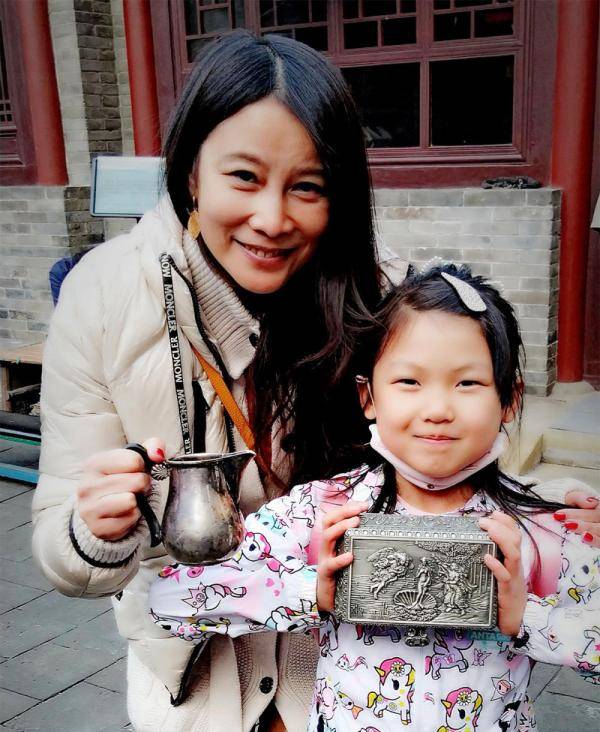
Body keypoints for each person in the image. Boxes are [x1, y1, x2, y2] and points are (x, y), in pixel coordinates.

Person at [32, 28, 597, 732]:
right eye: (244, 177)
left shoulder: (378, 296)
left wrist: (539, 509)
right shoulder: (104, 299)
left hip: (327, 682)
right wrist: (96, 530)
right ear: (190, 172)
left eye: (307, 187)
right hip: (203, 683)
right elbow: (133, 579)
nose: (272, 219)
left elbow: (439, 461)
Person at [149, 264, 600, 731]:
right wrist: (312, 593)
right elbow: (171, 600)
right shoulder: (324, 513)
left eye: (467, 383)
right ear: (368, 397)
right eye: (409, 382)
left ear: (509, 399)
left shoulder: (538, 530)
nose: (438, 410)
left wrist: (527, 617)